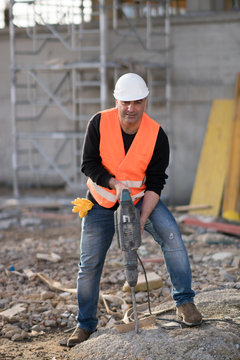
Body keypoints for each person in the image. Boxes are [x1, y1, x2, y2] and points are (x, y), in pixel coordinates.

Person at [67, 73, 202, 347]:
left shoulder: (156, 134)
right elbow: (88, 164)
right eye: (125, 102)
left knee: (173, 238)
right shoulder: (98, 123)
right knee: (89, 263)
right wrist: (113, 183)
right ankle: (85, 325)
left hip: (141, 199)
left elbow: (155, 183)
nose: (131, 108)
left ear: (145, 101)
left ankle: (185, 303)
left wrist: (139, 221)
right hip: (102, 200)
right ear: (116, 100)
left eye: (137, 102)